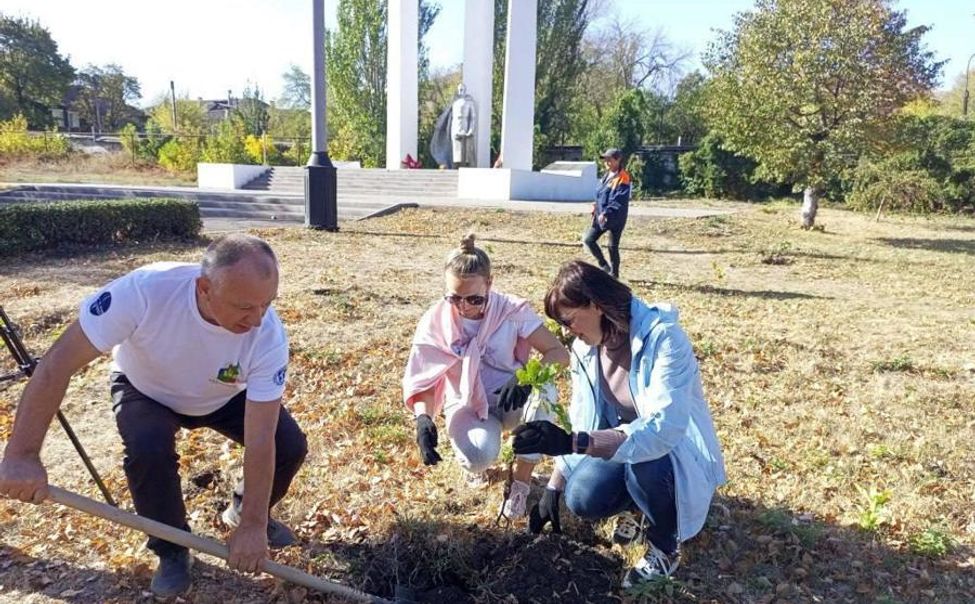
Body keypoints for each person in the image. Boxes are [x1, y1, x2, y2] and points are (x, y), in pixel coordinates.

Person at [0, 234, 308, 598]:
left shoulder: (268, 335)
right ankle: (171, 549)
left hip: (222, 394)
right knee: (148, 450)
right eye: (244, 307)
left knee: (288, 445)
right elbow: (55, 365)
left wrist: (255, 523)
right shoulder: (145, 292)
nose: (257, 319)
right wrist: (21, 454)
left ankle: (241, 512)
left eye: (266, 304)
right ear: (205, 288)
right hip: (145, 387)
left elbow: (261, 438)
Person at [513, 260, 725, 587]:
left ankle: (665, 547)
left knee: (646, 463)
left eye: (569, 321)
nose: (570, 332)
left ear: (595, 305)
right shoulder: (587, 348)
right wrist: (554, 487)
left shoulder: (663, 339)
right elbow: (585, 415)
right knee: (582, 497)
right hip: (625, 448)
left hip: (669, 452)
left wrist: (575, 442)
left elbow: (662, 428)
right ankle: (640, 507)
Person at [402, 234, 569, 518]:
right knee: (478, 457)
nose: (464, 307)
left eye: (474, 299)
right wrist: (423, 418)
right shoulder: (436, 320)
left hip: (511, 397)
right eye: (454, 298)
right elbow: (425, 377)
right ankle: (476, 464)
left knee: (545, 392)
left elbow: (558, 353)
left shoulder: (511, 311)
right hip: (466, 402)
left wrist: (528, 377)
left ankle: (521, 484)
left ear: (490, 283)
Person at [583, 148, 632, 278]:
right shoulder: (606, 175)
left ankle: (614, 275)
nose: (606, 161)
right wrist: (596, 206)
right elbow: (600, 194)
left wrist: (606, 213)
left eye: (609, 159)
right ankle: (604, 266)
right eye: (605, 159)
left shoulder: (623, 178)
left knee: (612, 246)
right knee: (589, 240)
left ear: (618, 160)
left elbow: (617, 200)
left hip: (615, 217)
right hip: (600, 216)